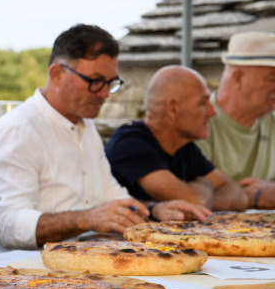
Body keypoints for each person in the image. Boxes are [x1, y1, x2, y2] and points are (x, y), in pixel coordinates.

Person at [0, 24, 208, 253]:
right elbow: (8, 226)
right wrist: (86, 219)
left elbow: (111, 197)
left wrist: (154, 210)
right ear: (57, 74)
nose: (105, 93)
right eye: (95, 81)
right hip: (26, 275)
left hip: (91, 264)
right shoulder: (18, 131)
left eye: (110, 82)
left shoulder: (84, 124)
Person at [105, 65, 247, 211]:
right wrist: (204, 183)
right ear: (173, 109)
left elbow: (239, 197)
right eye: (203, 102)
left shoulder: (184, 147)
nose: (212, 112)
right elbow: (194, 202)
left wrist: (201, 196)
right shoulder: (131, 144)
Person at [196, 31, 275, 209]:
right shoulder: (197, 123)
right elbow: (191, 195)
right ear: (238, 78)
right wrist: (255, 197)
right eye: (272, 78)